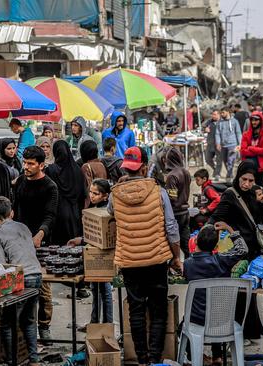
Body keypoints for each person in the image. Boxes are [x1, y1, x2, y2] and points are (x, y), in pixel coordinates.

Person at [108, 146, 182, 365]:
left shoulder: (115, 195)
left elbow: (111, 213)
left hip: (130, 261)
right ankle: (155, 357)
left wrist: (119, 188)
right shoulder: (158, 192)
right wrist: (176, 257)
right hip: (157, 259)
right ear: (144, 167)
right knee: (158, 311)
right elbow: (171, 226)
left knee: (136, 309)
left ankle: (141, 359)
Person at [208, 161, 263, 341]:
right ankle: (237, 333)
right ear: (238, 176)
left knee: (249, 291)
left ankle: (249, 331)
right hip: (237, 252)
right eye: (244, 179)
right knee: (239, 293)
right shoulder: (230, 195)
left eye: (251, 180)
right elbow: (216, 218)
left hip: (252, 251)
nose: (247, 184)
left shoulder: (252, 194)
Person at [183, 222, 248, 365]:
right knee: (216, 308)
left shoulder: (188, 264)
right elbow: (243, 250)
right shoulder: (222, 260)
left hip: (197, 320)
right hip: (222, 320)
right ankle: (217, 356)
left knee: (184, 322)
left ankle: (192, 357)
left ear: (196, 241)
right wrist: (230, 229)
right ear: (216, 246)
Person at [12, 146, 59, 343]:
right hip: (19, 240)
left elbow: (50, 215)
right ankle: (23, 329)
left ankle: (44, 326)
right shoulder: (21, 181)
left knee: (43, 287)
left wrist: (40, 234)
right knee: (19, 286)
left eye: (31, 164)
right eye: (25, 162)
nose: (26, 167)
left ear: (41, 164)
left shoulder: (50, 187)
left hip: (41, 242)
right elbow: (14, 208)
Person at [0, 196, 42, 366]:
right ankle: (34, 360)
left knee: (8, 323)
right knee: (29, 320)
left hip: (20, 279)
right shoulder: (24, 227)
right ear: (11, 213)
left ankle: (12, 361)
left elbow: (2, 264)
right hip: (37, 275)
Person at [68, 179, 114, 329]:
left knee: (105, 291)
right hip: (92, 254)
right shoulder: (93, 208)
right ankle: (94, 322)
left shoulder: (106, 211)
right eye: (91, 192)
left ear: (106, 196)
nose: (92, 196)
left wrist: (80, 240)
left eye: (96, 193)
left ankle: (107, 324)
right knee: (95, 289)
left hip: (104, 255)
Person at [46, 141, 86, 245]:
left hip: (57, 214)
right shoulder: (77, 170)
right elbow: (82, 194)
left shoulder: (51, 170)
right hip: (75, 213)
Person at [165, 148, 192, 258]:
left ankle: (175, 265)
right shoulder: (186, 172)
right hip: (185, 212)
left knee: (172, 243)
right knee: (186, 244)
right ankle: (189, 265)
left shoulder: (172, 176)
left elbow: (172, 197)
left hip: (175, 214)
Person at [240, 112, 263, 185]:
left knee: (261, 189)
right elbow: (243, 151)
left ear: (260, 121)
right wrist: (258, 150)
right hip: (248, 167)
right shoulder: (246, 134)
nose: (254, 122)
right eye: (252, 120)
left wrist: (250, 148)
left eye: (256, 120)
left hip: (261, 167)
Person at [214, 108, 242, 180]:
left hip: (232, 145)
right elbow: (217, 133)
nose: (221, 114)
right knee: (225, 161)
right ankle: (230, 173)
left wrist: (240, 144)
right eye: (221, 113)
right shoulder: (219, 122)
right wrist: (218, 143)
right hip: (223, 146)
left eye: (223, 112)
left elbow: (238, 133)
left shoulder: (235, 121)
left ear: (228, 112)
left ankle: (229, 175)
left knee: (230, 161)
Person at [80, 140, 108, 208]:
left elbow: (89, 188)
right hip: (102, 200)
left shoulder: (86, 166)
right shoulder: (101, 164)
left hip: (92, 203)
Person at [203, 110, 220, 178]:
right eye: (212, 114)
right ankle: (215, 169)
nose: (213, 116)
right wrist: (205, 129)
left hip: (219, 144)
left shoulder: (222, 122)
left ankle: (217, 174)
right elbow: (203, 127)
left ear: (219, 115)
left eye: (215, 114)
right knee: (207, 159)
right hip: (210, 144)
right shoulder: (209, 121)